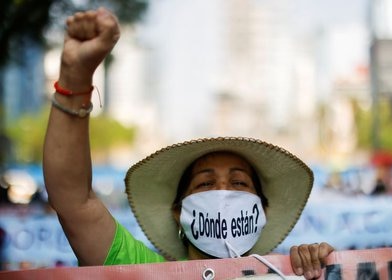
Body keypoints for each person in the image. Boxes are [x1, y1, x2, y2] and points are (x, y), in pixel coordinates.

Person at [43, 7, 334, 279]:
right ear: (178, 211)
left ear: (263, 212)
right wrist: (75, 78)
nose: (223, 194)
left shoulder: (288, 275)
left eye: (240, 183)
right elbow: (74, 202)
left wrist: (332, 269)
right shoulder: (145, 272)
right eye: (205, 184)